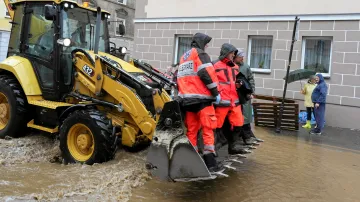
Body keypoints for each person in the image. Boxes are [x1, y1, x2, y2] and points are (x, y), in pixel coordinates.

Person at [176, 33, 222, 172]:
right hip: (202, 100)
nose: (207, 46)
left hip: (187, 101)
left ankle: (191, 162)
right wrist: (216, 93)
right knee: (208, 129)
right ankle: (211, 164)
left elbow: (180, 78)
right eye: (206, 43)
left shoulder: (183, 57)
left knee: (192, 131)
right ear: (201, 42)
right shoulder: (201, 54)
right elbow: (207, 74)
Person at [212, 43, 246, 155]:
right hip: (222, 100)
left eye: (233, 53)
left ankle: (233, 146)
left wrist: (239, 84)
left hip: (234, 101)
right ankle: (213, 149)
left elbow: (234, 81)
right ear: (226, 53)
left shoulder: (235, 67)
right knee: (216, 125)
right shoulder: (214, 65)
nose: (233, 55)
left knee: (238, 122)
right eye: (231, 53)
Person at [234, 49, 264, 144]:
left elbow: (251, 79)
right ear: (235, 57)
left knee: (246, 115)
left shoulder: (245, 67)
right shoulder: (231, 66)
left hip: (244, 95)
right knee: (236, 116)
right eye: (240, 56)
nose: (242, 58)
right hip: (234, 95)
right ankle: (239, 137)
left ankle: (247, 136)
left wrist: (251, 91)